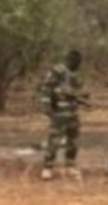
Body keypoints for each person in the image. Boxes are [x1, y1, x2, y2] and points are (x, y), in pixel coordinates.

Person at [37, 50, 87, 181]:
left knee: (73, 140)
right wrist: (47, 106)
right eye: (76, 62)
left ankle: (70, 166)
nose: (78, 65)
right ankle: (47, 167)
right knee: (54, 140)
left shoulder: (75, 74)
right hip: (59, 111)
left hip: (72, 112)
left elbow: (74, 92)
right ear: (70, 60)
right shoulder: (57, 71)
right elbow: (46, 89)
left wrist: (81, 99)